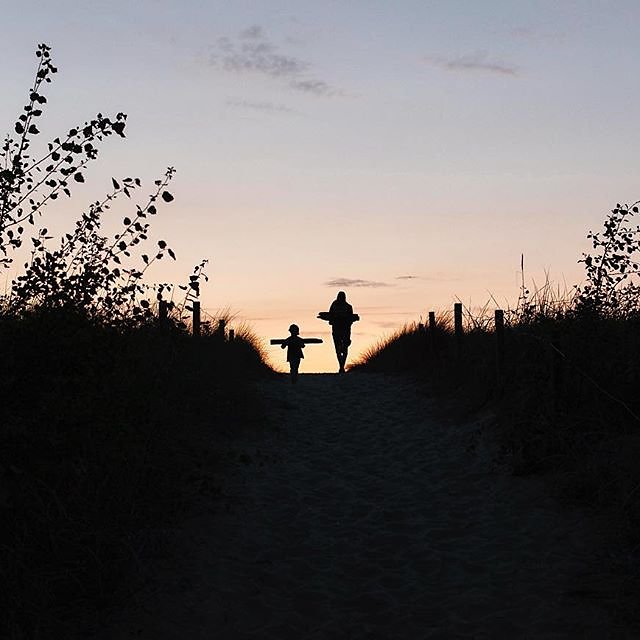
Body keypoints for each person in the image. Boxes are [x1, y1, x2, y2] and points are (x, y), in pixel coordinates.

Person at [329, 291, 355, 373]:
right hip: (342, 330)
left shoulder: (347, 307)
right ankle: (341, 366)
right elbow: (330, 317)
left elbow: (330, 318)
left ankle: (341, 366)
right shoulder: (346, 306)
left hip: (342, 330)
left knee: (340, 349)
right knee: (341, 349)